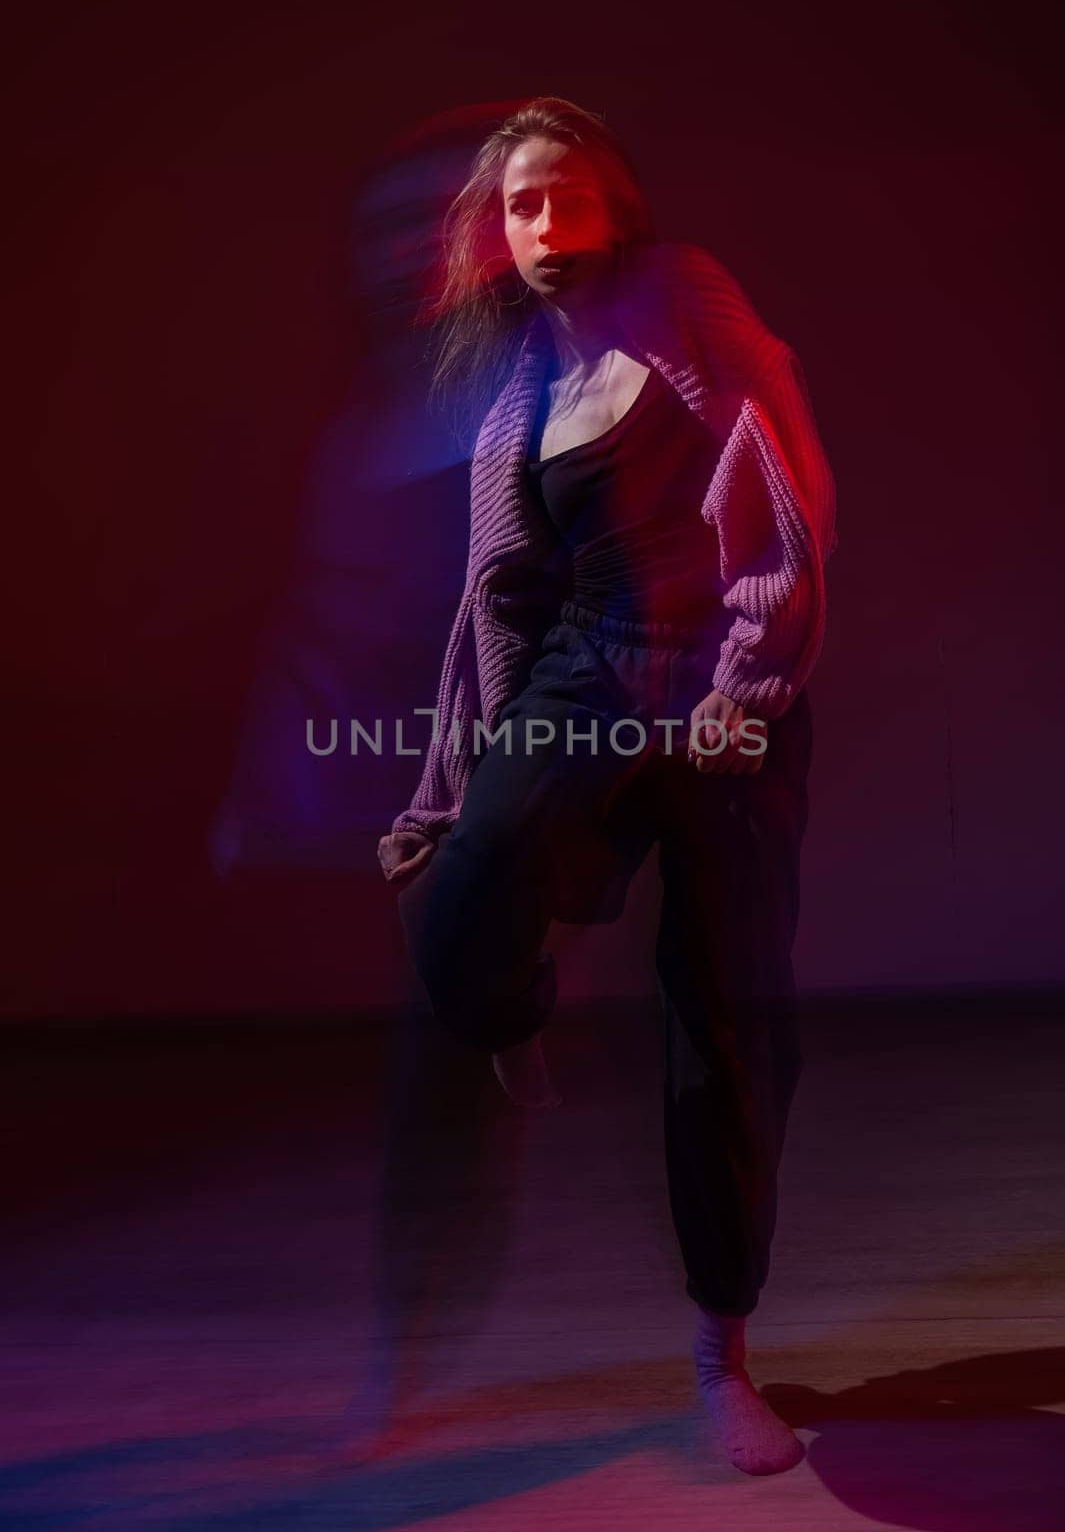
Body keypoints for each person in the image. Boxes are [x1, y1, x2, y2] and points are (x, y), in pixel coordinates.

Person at [376, 96, 838, 1475]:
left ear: (617, 210)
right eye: (522, 205)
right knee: (458, 918)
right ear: (492, 231)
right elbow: (496, 610)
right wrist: (463, 797)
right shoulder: (518, 391)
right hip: (589, 678)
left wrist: (742, 693)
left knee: (726, 1029)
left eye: (568, 198)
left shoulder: (683, 300)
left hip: (718, 694)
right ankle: (515, 1005)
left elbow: (783, 477)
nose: (546, 228)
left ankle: (722, 1361)